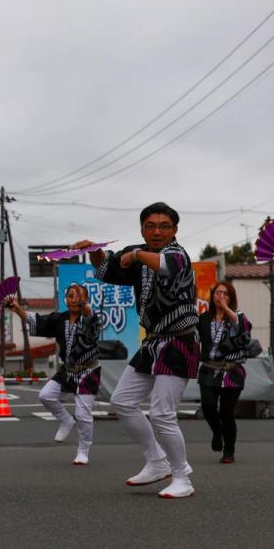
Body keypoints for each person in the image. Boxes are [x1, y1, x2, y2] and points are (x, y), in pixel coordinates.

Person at [75, 201, 198, 499]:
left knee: (162, 413)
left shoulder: (178, 254)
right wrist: (94, 250)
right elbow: (106, 271)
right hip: (153, 342)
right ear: (142, 229)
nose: (157, 231)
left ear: (175, 230)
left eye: (164, 226)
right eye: (150, 226)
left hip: (180, 341)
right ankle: (156, 461)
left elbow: (165, 266)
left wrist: (135, 255)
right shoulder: (138, 253)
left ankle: (182, 477)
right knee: (122, 401)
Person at [5, 284, 102, 465]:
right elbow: (35, 321)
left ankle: (83, 451)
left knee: (83, 414)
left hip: (88, 371)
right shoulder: (59, 318)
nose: (74, 299)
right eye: (70, 296)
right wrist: (17, 309)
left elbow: (88, 313)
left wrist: (83, 304)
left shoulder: (90, 317)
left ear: (86, 300)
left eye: (79, 296)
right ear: (65, 299)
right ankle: (66, 420)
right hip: (68, 369)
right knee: (45, 395)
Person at [198, 281, 253, 464]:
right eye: (217, 292)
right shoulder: (204, 318)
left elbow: (243, 331)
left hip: (231, 371)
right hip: (209, 369)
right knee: (207, 406)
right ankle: (217, 431)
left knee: (226, 412)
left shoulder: (238, 317)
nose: (220, 296)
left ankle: (229, 450)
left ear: (231, 298)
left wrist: (226, 309)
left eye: (225, 293)